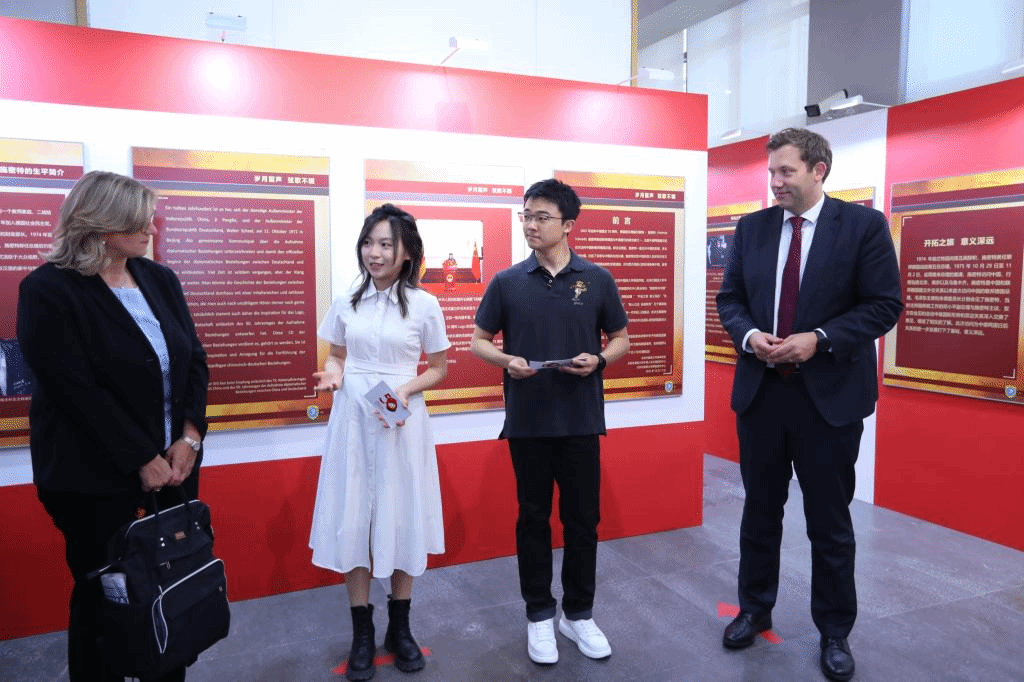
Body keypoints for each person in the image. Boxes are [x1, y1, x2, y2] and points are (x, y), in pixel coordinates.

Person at [716, 128, 903, 681]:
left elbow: (883, 305)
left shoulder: (863, 227)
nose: (775, 183)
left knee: (830, 521)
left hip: (829, 401)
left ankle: (835, 632)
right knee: (759, 512)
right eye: (771, 172)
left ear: (819, 170)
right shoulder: (752, 228)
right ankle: (754, 608)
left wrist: (819, 339)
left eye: (786, 172)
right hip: (762, 395)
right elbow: (730, 299)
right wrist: (750, 336)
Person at [16, 171, 209, 682]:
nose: (151, 227)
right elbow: (74, 390)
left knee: (169, 591)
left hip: (174, 469)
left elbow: (194, 361)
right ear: (99, 224)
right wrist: (141, 458)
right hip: (92, 480)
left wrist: (189, 438)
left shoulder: (159, 280)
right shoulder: (48, 290)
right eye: (139, 219)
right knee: (105, 602)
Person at [470, 179, 629, 665]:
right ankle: (539, 614)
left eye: (541, 217)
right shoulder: (507, 281)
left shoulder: (596, 278)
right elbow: (478, 341)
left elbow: (620, 338)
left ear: (568, 224)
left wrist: (599, 360)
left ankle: (578, 614)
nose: (530, 225)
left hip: (581, 419)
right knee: (533, 518)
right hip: (529, 420)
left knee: (583, 521)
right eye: (526, 215)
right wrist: (507, 361)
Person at [309, 204, 450, 681]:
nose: (375, 253)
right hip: (352, 418)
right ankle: (362, 632)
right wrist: (333, 375)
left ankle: (400, 627)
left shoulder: (425, 305)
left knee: (402, 514)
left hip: (399, 418)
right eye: (369, 243)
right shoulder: (347, 300)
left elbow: (439, 368)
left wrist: (403, 392)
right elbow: (337, 355)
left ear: (407, 252)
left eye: (386, 244)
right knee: (354, 518)